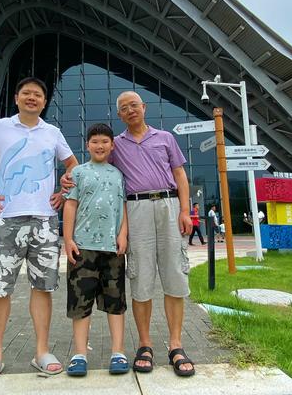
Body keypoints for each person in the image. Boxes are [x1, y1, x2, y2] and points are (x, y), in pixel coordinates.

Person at [62, 91, 195, 377]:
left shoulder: (165, 138)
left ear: (144, 107)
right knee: (141, 278)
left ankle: (175, 344)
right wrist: (66, 175)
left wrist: (185, 210)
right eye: (124, 108)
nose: (130, 110)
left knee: (174, 275)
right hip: (136, 209)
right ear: (120, 115)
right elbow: (91, 168)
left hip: (169, 205)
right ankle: (144, 345)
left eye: (134, 105)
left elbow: (180, 174)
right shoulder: (116, 146)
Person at [0, 77, 78, 384]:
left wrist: (64, 192)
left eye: (37, 95)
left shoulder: (52, 132)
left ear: (43, 101)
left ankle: (41, 351)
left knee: (43, 287)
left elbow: (73, 166)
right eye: (26, 93)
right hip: (7, 220)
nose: (31, 98)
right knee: (0, 289)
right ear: (16, 98)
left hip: (44, 222)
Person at [63, 123, 129, 377]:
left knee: (116, 301)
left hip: (112, 249)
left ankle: (118, 352)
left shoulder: (118, 174)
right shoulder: (78, 173)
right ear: (87, 145)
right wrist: (67, 239)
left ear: (112, 145)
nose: (100, 146)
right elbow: (70, 206)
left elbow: (123, 206)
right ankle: (79, 354)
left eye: (104, 141)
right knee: (80, 302)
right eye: (95, 142)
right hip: (83, 248)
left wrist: (123, 234)